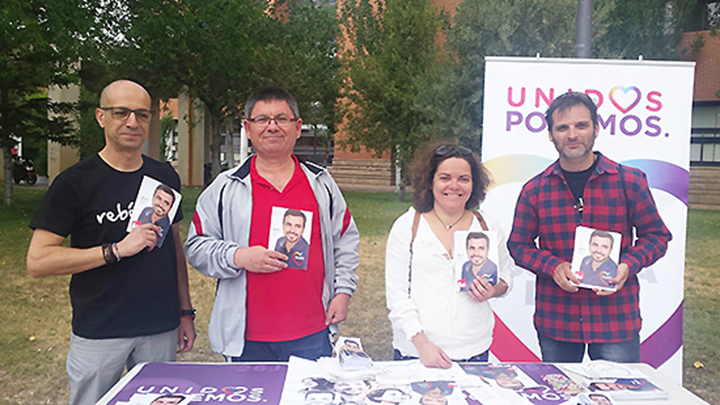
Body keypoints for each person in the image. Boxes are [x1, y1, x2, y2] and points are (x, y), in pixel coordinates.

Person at [26, 80, 196, 405]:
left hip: (159, 326)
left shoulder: (166, 177)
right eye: (121, 113)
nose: (132, 122)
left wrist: (185, 311)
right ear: (101, 116)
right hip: (100, 329)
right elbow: (38, 261)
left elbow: (173, 247)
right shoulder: (74, 183)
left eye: (142, 115)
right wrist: (116, 250)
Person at [185, 87, 359, 361]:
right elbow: (196, 246)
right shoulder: (226, 186)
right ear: (248, 128)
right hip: (247, 338)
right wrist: (238, 256)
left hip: (312, 332)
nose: (272, 126)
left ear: (298, 127)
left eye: (282, 118)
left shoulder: (321, 183)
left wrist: (343, 291)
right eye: (262, 119)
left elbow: (345, 241)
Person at [507, 91, 671, 363]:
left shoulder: (629, 181)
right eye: (562, 128)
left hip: (615, 319)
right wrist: (553, 267)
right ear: (550, 134)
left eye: (581, 125)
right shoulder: (535, 189)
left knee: (617, 399)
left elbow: (657, 236)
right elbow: (518, 246)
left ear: (596, 128)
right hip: (558, 319)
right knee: (560, 398)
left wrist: (627, 266)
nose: (572, 134)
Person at [386, 142, 513, 369]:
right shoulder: (408, 226)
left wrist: (495, 289)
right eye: (445, 177)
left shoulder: (486, 226)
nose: (454, 186)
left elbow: (506, 278)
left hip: (474, 350)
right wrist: (422, 344)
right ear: (430, 181)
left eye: (464, 178)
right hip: (416, 353)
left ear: (474, 184)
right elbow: (396, 296)